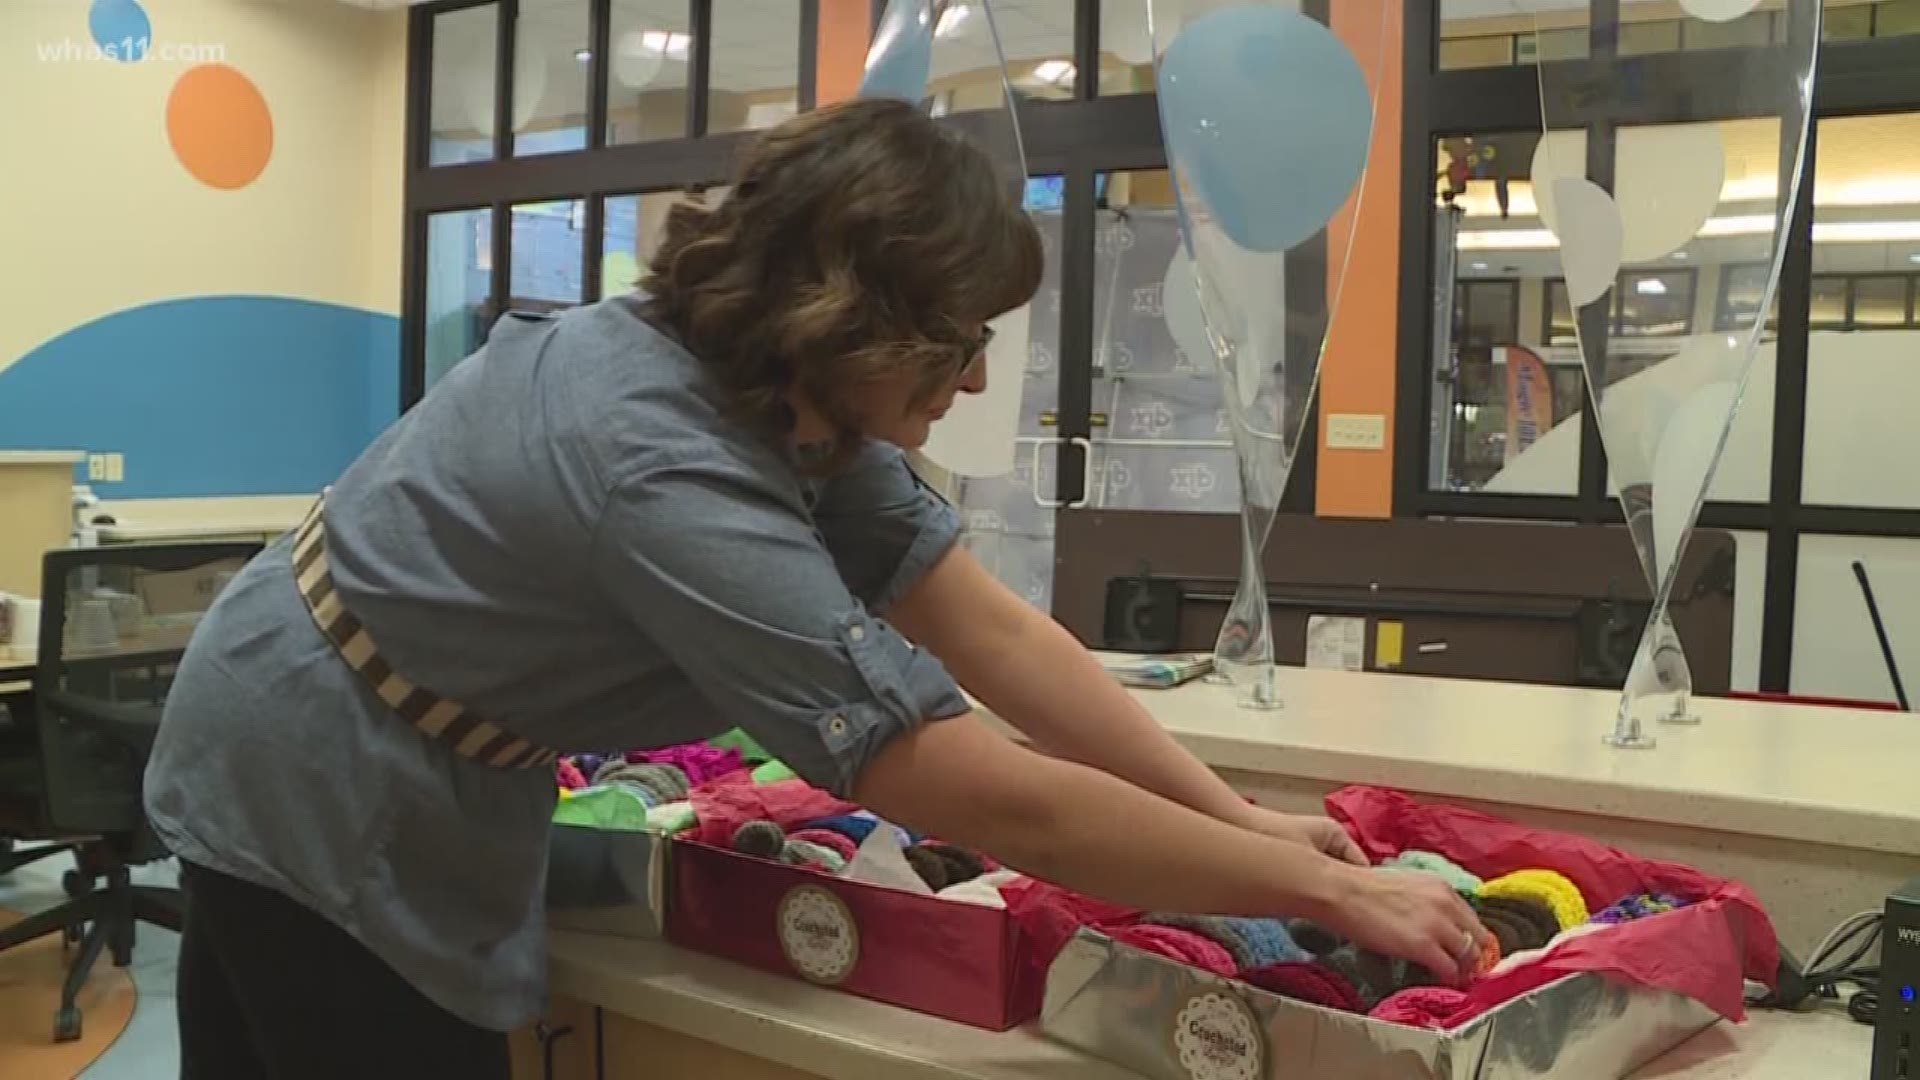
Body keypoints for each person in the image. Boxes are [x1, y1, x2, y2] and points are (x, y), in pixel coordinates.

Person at [145, 98, 1481, 1079]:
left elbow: (995, 632)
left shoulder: (786, 396)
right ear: (850, 318)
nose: (970, 384)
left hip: (400, 734)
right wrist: (1330, 898)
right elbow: (963, 781)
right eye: (955, 344)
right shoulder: (656, 458)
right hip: (316, 758)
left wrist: (1244, 824)